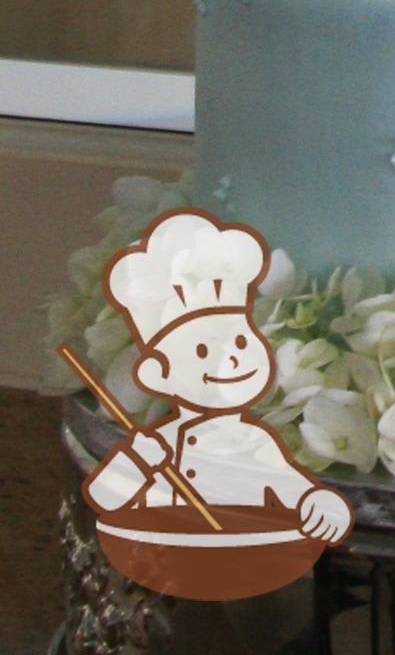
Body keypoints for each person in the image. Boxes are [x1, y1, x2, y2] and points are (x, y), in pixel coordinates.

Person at [82, 208, 351, 544]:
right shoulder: (163, 441)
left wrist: (320, 503)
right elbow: (104, 497)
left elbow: (297, 491)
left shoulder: (260, 441)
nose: (231, 357)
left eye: (241, 340)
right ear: (157, 375)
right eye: (202, 351)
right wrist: (137, 461)